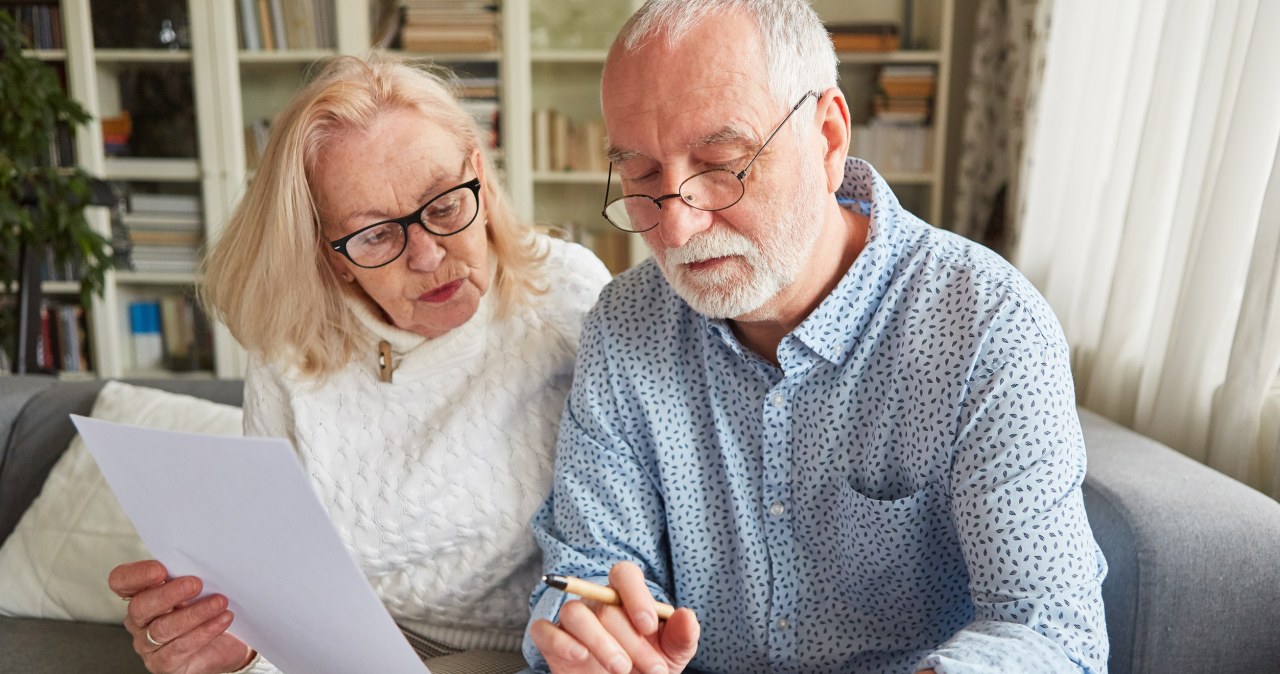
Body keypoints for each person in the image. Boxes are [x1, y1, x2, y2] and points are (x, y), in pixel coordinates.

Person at [524, 1, 1109, 673]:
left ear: (828, 138)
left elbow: (1051, 630)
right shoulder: (626, 327)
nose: (677, 230)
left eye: (722, 164)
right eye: (642, 176)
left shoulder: (986, 327)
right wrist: (593, 635)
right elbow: (584, 569)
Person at [106, 53, 612, 674]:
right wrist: (237, 653)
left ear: (478, 173)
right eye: (374, 235)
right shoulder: (291, 343)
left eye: (446, 204)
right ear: (332, 254)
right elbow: (277, 579)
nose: (426, 255)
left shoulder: (567, 295)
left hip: (519, 652)